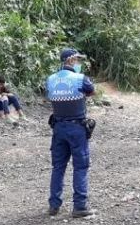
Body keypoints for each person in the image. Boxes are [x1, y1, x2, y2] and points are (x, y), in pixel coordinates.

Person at [46, 48, 95, 218]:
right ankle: (80, 206)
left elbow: (50, 96)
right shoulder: (81, 79)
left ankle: (54, 205)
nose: (78, 63)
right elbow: (91, 91)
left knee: (58, 167)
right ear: (72, 60)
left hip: (58, 127)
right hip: (77, 128)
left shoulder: (51, 79)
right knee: (80, 166)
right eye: (77, 60)